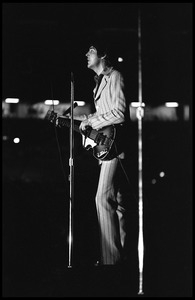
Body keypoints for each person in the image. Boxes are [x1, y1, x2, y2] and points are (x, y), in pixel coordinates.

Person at [64, 40, 132, 266]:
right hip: (109, 149)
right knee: (119, 207)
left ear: (103, 54)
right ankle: (121, 261)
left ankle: (110, 262)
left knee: (102, 198)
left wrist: (91, 120)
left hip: (117, 149)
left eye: (91, 51)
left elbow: (119, 113)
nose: (86, 54)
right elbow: (102, 121)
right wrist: (78, 123)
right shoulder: (98, 85)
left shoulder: (115, 76)